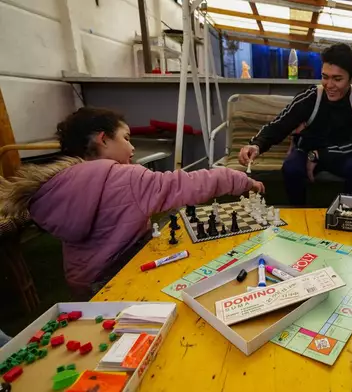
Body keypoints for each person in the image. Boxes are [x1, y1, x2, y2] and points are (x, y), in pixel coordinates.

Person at [0, 107, 264, 299]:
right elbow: (188, 184)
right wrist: (241, 180)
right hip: (121, 277)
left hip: (83, 284)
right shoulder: (125, 178)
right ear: (103, 139)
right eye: (126, 138)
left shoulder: (57, 183)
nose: (132, 148)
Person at [238, 43, 352, 205]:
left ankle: (349, 214)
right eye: (325, 77)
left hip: (341, 154)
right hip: (306, 149)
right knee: (291, 169)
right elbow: (280, 124)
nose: (329, 85)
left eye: (337, 79)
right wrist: (256, 145)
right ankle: (299, 212)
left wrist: (318, 155)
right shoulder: (311, 96)